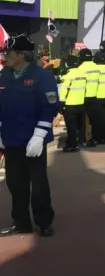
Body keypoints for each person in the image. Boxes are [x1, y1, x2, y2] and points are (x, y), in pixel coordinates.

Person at [0, 34, 59, 237]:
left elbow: (49, 107)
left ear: (22, 55)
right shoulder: (3, 76)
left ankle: (44, 222)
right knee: (15, 184)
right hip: (10, 139)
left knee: (39, 185)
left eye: (8, 53)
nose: (5, 56)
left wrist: (39, 136)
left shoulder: (42, 76)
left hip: (33, 140)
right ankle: (21, 222)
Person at [58, 55, 87, 152]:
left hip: (70, 105)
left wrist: (61, 104)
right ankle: (81, 142)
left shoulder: (68, 75)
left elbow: (63, 90)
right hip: (81, 104)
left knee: (71, 127)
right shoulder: (83, 74)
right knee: (80, 126)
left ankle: (72, 145)